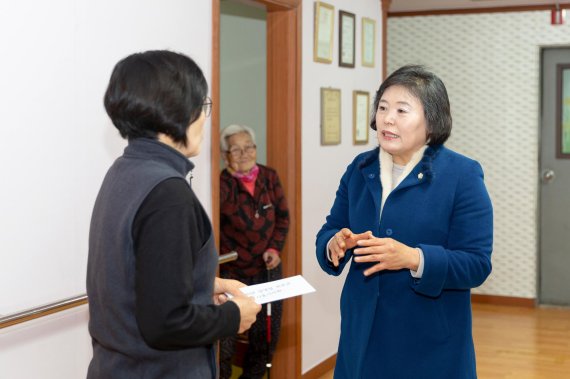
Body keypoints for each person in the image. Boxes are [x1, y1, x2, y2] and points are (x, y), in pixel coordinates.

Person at [86, 50, 261, 379]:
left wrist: (202, 284)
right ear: (179, 111)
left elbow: (133, 275)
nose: (205, 118)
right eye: (204, 106)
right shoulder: (168, 193)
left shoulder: (124, 171)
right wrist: (233, 317)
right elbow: (166, 323)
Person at [316, 65, 493, 379]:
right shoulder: (361, 168)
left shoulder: (462, 175)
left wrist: (413, 258)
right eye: (383, 107)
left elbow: (476, 264)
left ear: (432, 120)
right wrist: (333, 243)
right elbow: (332, 226)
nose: (388, 118)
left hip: (429, 343)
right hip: (363, 336)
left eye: (402, 110)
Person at [218, 124, 290, 379]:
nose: (244, 153)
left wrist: (274, 248)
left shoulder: (269, 177)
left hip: (266, 269)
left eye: (248, 147)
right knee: (223, 343)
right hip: (231, 273)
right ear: (225, 155)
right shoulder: (221, 185)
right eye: (235, 150)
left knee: (265, 338)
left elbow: (283, 218)